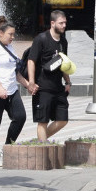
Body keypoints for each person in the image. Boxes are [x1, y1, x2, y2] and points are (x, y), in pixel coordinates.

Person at [0, 16, 32, 166]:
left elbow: (15, 72)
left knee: (20, 116)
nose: (13, 37)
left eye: (13, 34)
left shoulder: (10, 48)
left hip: (11, 89)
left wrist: (27, 84)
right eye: (10, 34)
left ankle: (8, 147)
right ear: (0, 33)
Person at [27, 10, 70, 143]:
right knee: (43, 121)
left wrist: (67, 81)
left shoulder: (63, 41)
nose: (64, 25)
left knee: (62, 119)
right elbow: (31, 61)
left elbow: (64, 62)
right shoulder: (41, 39)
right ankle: (43, 146)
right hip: (43, 87)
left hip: (58, 86)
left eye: (65, 23)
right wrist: (31, 82)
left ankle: (40, 141)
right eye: (61, 23)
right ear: (52, 23)